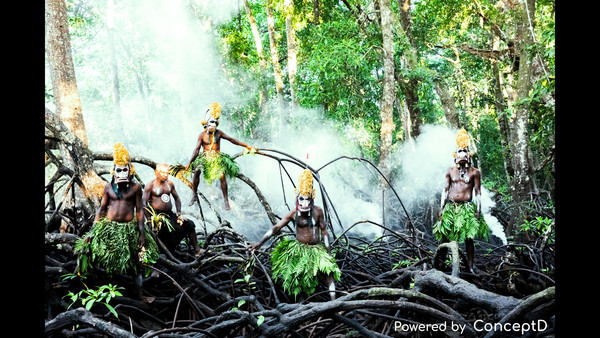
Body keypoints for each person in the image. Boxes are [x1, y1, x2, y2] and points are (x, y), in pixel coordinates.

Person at [76, 143, 159, 303]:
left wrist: (141, 234)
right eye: (118, 170)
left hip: (129, 229)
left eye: (124, 170)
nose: (121, 173)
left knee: (138, 260)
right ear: (114, 172)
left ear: (130, 171)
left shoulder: (135, 188)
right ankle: (80, 285)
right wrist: (93, 232)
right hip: (109, 228)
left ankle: (140, 293)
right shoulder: (108, 187)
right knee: (85, 251)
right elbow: (101, 209)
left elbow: (140, 211)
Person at [248, 169, 341, 301]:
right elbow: (276, 227)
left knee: (329, 273)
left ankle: (334, 302)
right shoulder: (293, 214)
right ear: (297, 198)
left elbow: (324, 231)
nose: (304, 203)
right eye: (301, 199)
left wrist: (328, 251)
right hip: (299, 249)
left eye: (307, 199)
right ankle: (304, 306)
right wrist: (259, 243)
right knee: (299, 278)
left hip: (317, 248)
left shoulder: (318, 211)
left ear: (312, 198)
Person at [433, 129, 489, 273]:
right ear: (455, 156)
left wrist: (478, 210)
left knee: (469, 238)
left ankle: (470, 266)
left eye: (465, 151)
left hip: (467, 208)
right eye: (460, 151)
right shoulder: (450, 170)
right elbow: (445, 190)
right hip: (450, 207)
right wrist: (441, 208)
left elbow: (478, 192)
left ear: (469, 156)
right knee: (445, 237)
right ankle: (441, 265)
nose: (462, 153)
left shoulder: (474, 172)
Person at [185, 102, 255, 210]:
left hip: (217, 159)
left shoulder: (219, 133)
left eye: (214, 122)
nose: (213, 124)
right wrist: (189, 163)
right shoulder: (202, 135)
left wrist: (246, 145)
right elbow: (196, 149)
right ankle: (194, 195)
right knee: (198, 170)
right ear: (206, 124)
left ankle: (226, 201)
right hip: (205, 159)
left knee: (222, 175)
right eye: (210, 122)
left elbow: (232, 140)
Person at [143, 163, 204, 257]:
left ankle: (197, 250)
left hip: (170, 215)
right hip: (158, 218)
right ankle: (167, 254)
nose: (165, 175)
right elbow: (143, 203)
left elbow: (177, 198)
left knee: (189, 224)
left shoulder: (170, 184)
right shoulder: (150, 185)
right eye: (162, 172)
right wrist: (150, 219)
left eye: (166, 172)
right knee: (168, 231)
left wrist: (179, 213)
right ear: (156, 172)